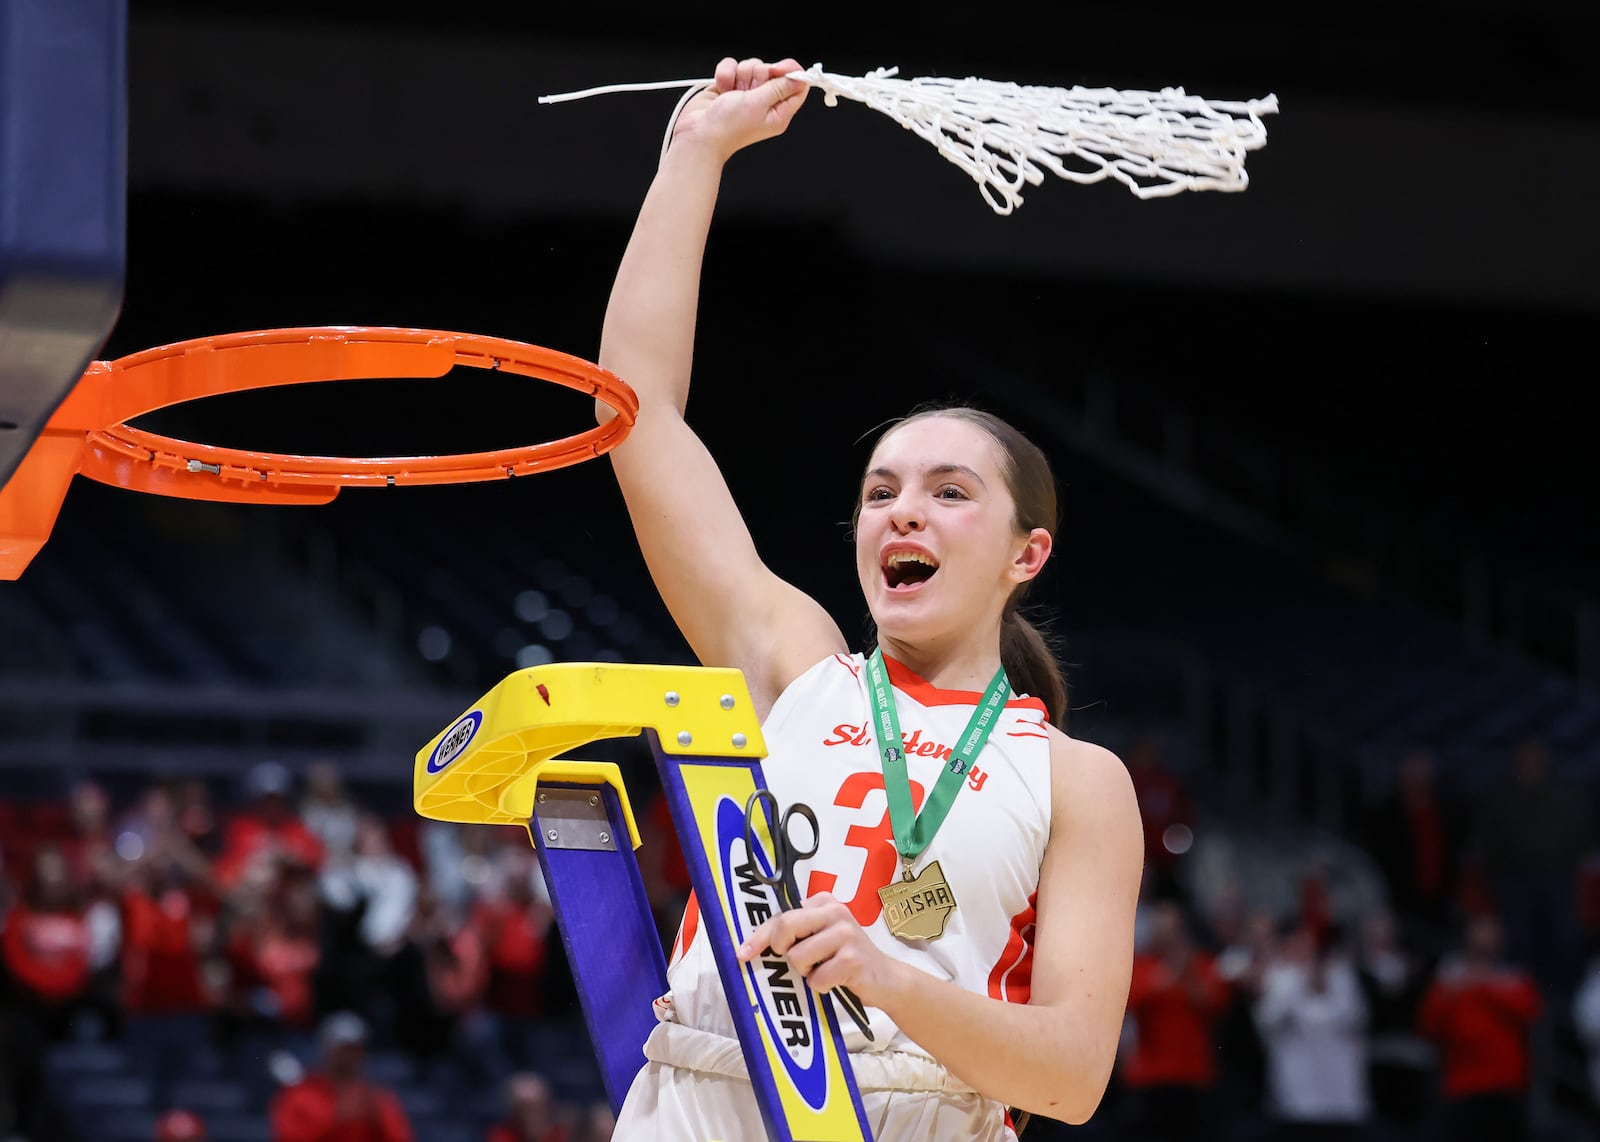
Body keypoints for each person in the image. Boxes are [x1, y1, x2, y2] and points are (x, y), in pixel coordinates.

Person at [593, 55, 1144, 1140]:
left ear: (1024, 553)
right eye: (879, 491)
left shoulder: (1078, 780)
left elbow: (1073, 1075)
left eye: (949, 492)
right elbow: (639, 411)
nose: (901, 512)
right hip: (699, 1101)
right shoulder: (791, 662)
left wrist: (888, 976)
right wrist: (695, 153)